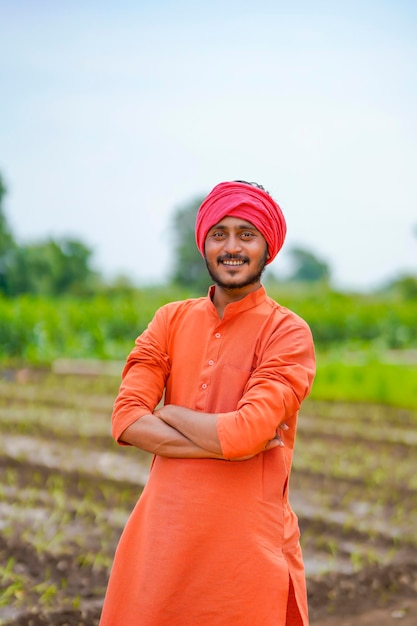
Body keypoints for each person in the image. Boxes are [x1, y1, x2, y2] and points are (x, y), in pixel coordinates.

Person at [99, 180, 316, 626]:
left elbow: (246, 432)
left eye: (246, 234)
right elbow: (126, 419)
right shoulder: (169, 319)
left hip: (245, 554)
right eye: (219, 234)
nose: (231, 247)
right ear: (203, 243)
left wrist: (172, 413)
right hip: (161, 542)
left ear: (267, 247)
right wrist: (230, 442)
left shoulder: (288, 333)